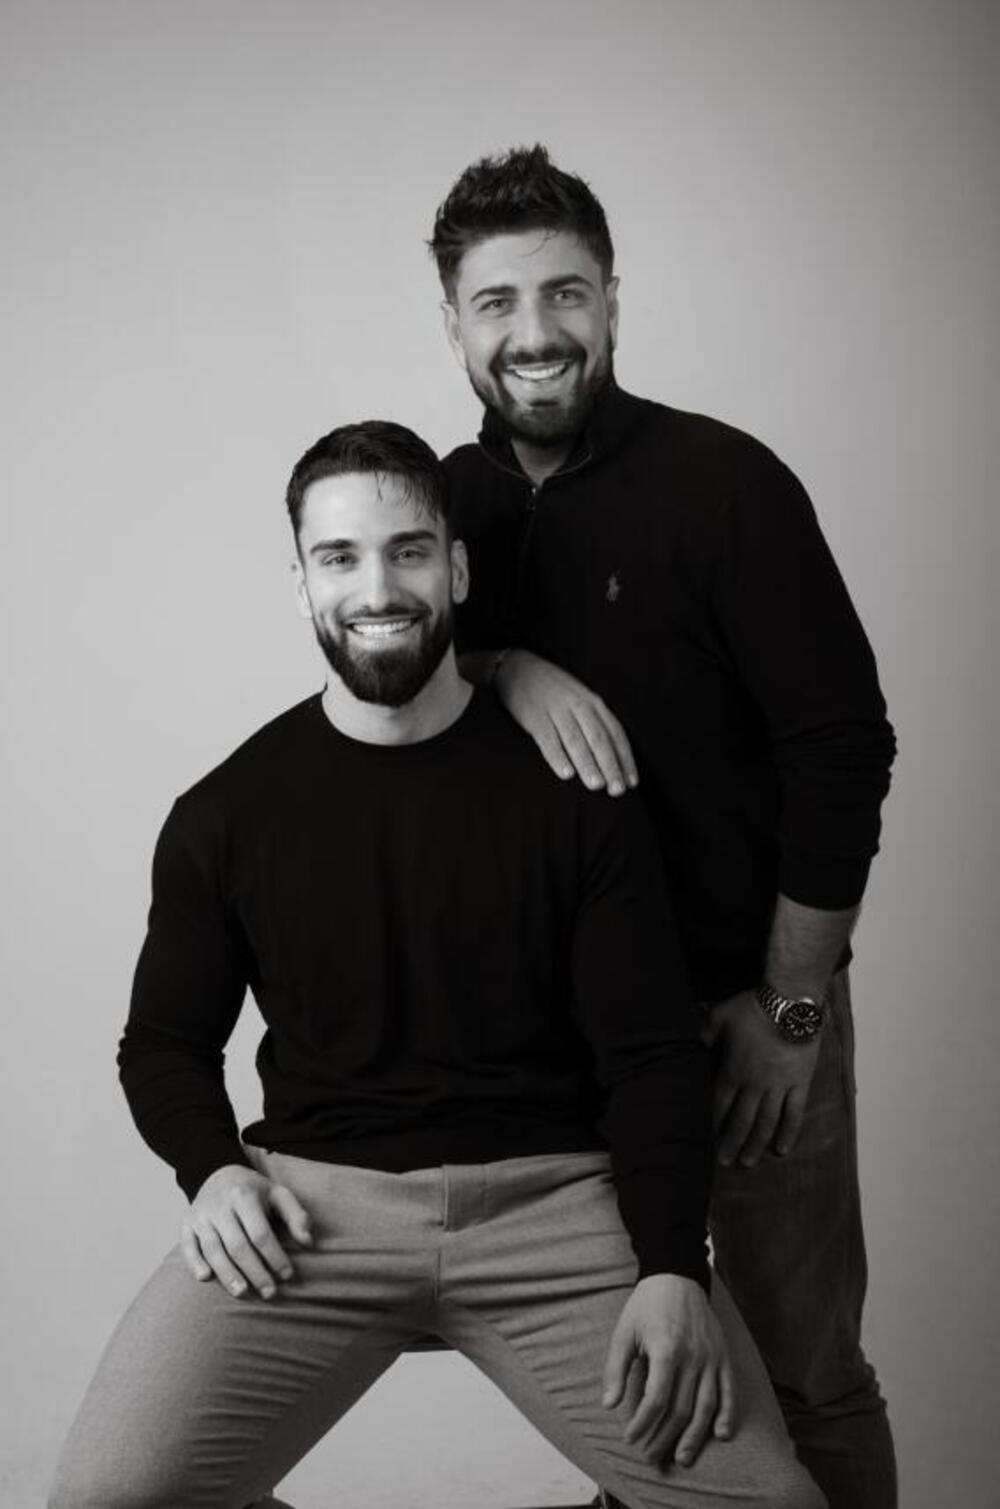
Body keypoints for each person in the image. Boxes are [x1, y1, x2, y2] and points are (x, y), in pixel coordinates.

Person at [50, 422, 823, 1509]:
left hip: (558, 1207)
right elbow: (163, 1044)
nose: (378, 589)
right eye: (340, 557)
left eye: (408, 551)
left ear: (456, 569)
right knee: (105, 1499)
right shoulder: (225, 814)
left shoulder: (575, 794)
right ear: (302, 585)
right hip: (314, 1211)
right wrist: (213, 1170)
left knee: (772, 1506)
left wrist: (668, 1265)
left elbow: (650, 1055)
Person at [431, 145, 897, 1509]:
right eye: (497, 301)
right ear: (452, 323)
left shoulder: (727, 485)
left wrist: (790, 1012)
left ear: (613, 300)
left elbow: (843, 752)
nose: (535, 334)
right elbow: (392, 681)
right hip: (566, 1045)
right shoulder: (445, 506)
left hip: (747, 1016)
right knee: (643, 1382)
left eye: (565, 293)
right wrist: (506, 663)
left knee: (806, 1376)